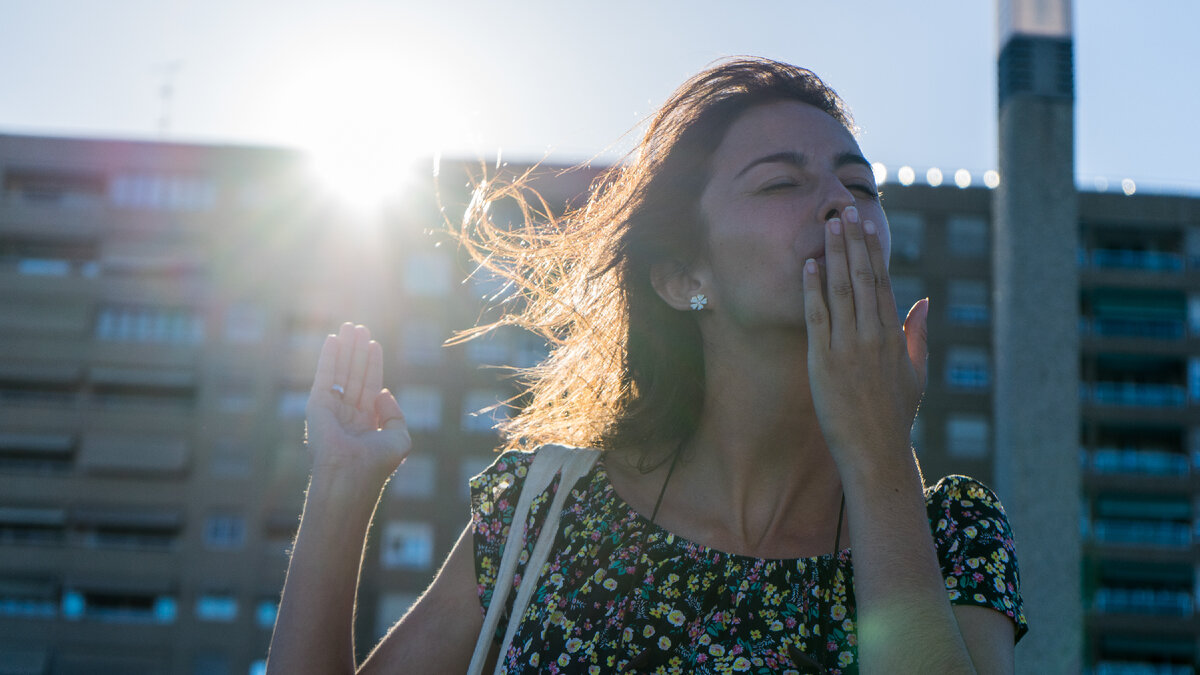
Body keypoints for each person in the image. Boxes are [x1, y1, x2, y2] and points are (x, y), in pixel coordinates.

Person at [266, 57, 1027, 674]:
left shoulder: (951, 533)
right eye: (782, 182)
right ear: (681, 277)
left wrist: (878, 451)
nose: (842, 206)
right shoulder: (550, 512)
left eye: (861, 184)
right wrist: (341, 484)